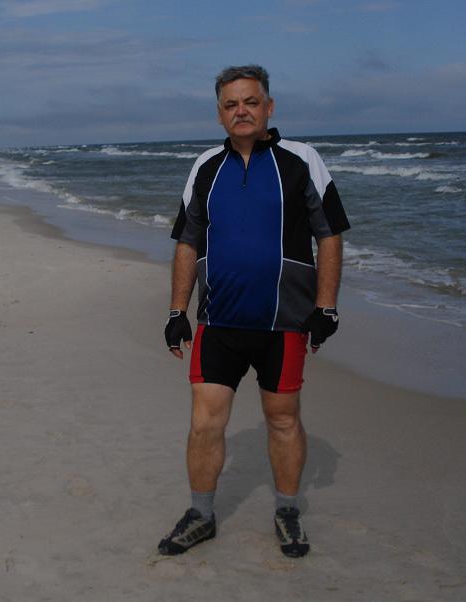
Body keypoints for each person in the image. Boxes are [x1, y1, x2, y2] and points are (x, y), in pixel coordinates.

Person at [158, 65, 350, 559]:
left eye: (250, 101)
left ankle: (287, 510)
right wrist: (177, 311)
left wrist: (326, 307)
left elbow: (329, 234)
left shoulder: (301, 160)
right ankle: (201, 515)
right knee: (204, 421)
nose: (241, 111)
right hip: (217, 321)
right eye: (231, 104)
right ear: (219, 114)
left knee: (282, 419)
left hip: (283, 323)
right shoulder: (205, 166)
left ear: (269, 107)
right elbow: (187, 241)